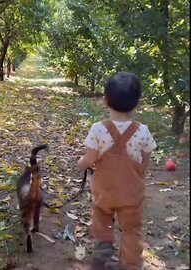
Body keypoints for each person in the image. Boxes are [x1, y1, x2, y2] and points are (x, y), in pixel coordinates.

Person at [77, 72, 156, 270]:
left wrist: (81, 163)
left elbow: (89, 159)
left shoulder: (97, 129)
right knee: (131, 230)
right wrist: (139, 177)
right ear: (137, 104)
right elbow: (145, 160)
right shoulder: (143, 131)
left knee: (102, 219)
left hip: (105, 192)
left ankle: (104, 246)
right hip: (131, 194)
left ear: (105, 101)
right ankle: (129, 264)